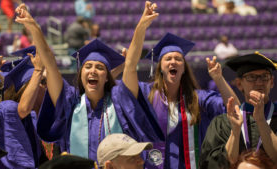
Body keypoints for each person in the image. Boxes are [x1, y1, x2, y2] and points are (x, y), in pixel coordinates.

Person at [14, 3, 164, 164]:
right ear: (80, 73)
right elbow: (50, 65)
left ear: (107, 76)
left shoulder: (119, 100)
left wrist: (141, 27)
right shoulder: (70, 102)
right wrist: (34, 27)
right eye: (88, 66)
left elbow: (130, 67)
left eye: (99, 67)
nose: (93, 71)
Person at [123, 1, 240, 168]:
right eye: (168, 59)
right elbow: (130, 69)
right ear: (160, 67)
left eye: (178, 59)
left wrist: (219, 78)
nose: (173, 62)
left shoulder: (197, 98)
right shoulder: (146, 94)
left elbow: (234, 109)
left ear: (184, 68)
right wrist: (141, 27)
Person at [199, 52, 277, 168]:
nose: (259, 82)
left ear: (271, 82)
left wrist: (261, 120)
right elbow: (213, 165)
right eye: (251, 77)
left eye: (264, 76)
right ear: (239, 84)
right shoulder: (222, 123)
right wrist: (235, 131)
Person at [0, 47, 49, 168]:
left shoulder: (34, 118)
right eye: (42, 82)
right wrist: (37, 71)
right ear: (26, 89)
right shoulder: (7, 108)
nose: (47, 87)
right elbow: (22, 109)